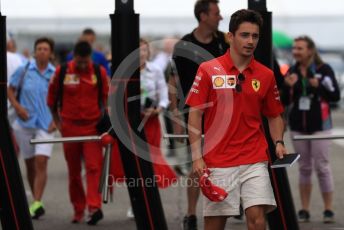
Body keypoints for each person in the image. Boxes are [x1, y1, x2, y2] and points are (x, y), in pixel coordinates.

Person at [186, 9, 288, 230]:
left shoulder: (266, 75)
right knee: (214, 225)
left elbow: (274, 115)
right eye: (244, 35)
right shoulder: (208, 70)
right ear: (230, 37)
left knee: (258, 220)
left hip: (255, 158)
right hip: (218, 160)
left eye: (255, 36)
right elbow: (195, 114)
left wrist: (278, 141)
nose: (250, 41)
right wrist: (197, 156)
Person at [169, 0, 229, 228]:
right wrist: (176, 119)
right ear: (203, 16)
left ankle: (229, 204)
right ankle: (191, 214)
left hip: (223, 115)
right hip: (192, 115)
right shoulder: (183, 45)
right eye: (216, 13)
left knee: (226, 163)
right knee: (197, 164)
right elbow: (173, 83)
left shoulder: (225, 42)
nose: (220, 17)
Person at [109, 38, 178, 218]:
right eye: (137, 51)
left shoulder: (154, 70)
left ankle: (150, 201)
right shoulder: (124, 72)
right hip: (130, 123)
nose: (141, 54)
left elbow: (164, 96)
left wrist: (157, 109)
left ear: (148, 53)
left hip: (151, 123)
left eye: (144, 51)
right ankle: (137, 202)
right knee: (132, 164)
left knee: (149, 165)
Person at [47, 41, 109, 225]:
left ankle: (94, 207)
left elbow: (106, 101)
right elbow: (51, 101)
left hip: (92, 127)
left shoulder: (99, 72)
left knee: (93, 167)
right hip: (70, 128)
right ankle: (78, 209)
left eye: (85, 61)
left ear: (90, 57)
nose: (82, 65)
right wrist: (59, 124)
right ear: (74, 57)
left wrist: (106, 123)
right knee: (74, 172)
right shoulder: (62, 72)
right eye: (79, 61)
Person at [283, 35, 340, 223]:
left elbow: (335, 96)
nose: (295, 52)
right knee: (304, 167)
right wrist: (287, 87)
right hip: (298, 127)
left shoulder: (324, 70)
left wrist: (319, 87)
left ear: (310, 50)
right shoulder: (292, 70)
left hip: (320, 126)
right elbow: (283, 101)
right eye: (294, 48)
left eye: (299, 48)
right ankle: (305, 209)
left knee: (322, 167)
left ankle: (328, 209)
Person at [8, 37, 56, 219]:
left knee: (41, 161)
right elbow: (10, 89)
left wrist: (57, 121)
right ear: (34, 51)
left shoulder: (56, 73)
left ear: (51, 53)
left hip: (46, 125)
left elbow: (61, 99)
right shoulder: (24, 70)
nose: (42, 51)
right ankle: (36, 200)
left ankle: (36, 201)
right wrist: (18, 107)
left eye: (45, 49)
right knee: (29, 164)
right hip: (24, 123)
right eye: (39, 48)